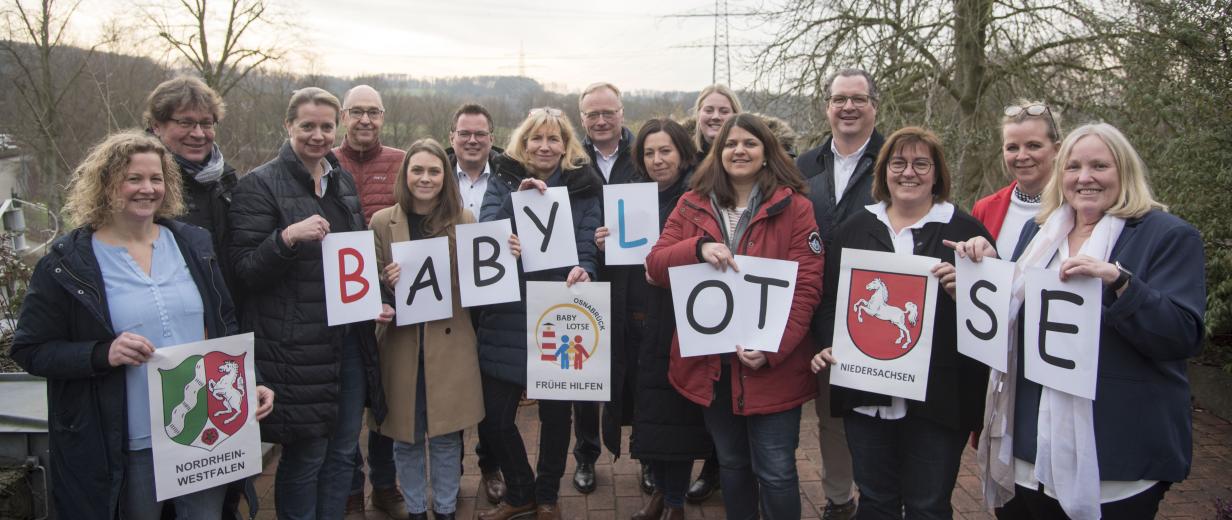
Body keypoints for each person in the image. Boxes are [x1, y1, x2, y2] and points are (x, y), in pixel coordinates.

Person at [10, 130, 274, 520]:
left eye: (156, 178)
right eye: (133, 178)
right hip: (127, 442)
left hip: (203, 433)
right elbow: (30, 349)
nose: (147, 189)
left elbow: (223, 326)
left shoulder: (194, 245)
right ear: (105, 184)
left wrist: (250, 382)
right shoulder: (69, 262)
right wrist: (103, 353)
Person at [955, 123, 1205, 519]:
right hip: (1028, 451)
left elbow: (1181, 336)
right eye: (1073, 167)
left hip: (1115, 454)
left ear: (1123, 171)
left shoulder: (1168, 236)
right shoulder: (1038, 233)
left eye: (1099, 166)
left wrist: (1121, 283)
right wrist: (983, 275)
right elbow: (1018, 321)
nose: (1084, 178)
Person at [645, 113, 823, 520]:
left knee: (776, 470)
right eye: (729, 144)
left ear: (766, 154)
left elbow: (807, 288)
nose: (739, 150)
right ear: (717, 153)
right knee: (732, 464)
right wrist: (697, 248)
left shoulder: (796, 209)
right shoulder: (692, 204)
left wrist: (773, 348)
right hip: (713, 365)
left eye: (749, 143)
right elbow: (655, 265)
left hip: (772, 366)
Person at [810, 126, 991, 519]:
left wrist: (969, 289)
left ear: (937, 173)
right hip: (867, 395)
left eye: (921, 164)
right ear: (884, 172)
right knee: (876, 500)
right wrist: (827, 342)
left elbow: (992, 320)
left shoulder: (965, 232)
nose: (909, 172)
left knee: (928, 504)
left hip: (939, 398)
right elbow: (828, 301)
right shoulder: (854, 229)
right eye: (898, 163)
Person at [228, 87, 390, 520]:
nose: (317, 135)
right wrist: (286, 238)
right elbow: (244, 270)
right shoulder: (258, 186)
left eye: (325, 126)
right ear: (288, 126)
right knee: (305, 457)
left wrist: (374, 295)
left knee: (342, 452)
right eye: (307, 126)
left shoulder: (340, 181)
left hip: (348, 341)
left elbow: (350, 260)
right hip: (295, 347)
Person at [370, 138, 521, 520]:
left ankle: (447, 508)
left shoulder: (465, 221)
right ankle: (417, 509)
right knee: (405, 435)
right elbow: (368, 287)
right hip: (402, 345)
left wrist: (506, 254)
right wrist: (387, 283)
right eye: (417, 170)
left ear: (445, 176)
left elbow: (481, 278)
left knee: (445, 435)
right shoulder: (381, 222)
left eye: (434, 170)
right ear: (405, 175)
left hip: (449, 343)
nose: (425, 178)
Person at [475, 107, 602, 520]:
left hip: (560, 310)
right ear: (523, 143)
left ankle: (546, 495)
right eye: (537, 139)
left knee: (554, 415)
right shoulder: (501, 181)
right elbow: (488, 235)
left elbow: (588, 243)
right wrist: (519, 201)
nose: (545, 146)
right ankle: (520, 489)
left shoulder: (584, 188)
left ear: (566, 147)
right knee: (495, 417)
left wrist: (589, 267)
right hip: (507, 312)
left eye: (554, 139)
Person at [795, 67, 885, 520]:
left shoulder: (896, 161)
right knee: (830, 414)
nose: (847, 107)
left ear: (874, 106)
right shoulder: (803, 166)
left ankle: (879, 495)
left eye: (858, 98)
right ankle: (837, 499)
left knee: (874, 411)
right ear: (827, 106)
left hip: (872, 309)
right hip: (815, 309)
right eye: (839, 99)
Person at [613, 118, 711, 520]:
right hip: (635, 317)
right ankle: (658, 489)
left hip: (674, 319)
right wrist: (606, 241)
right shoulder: (631, 197)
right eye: (649, 152)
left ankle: (673, 501)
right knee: (646, 412)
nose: (657, 160)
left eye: (666, 151)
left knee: (675, 416)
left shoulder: (698, 197)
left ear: (683, 152)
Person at [333, 84, 408, 519]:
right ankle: (348, 487)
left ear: (383, 116)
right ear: (344, 116)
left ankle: (384, 483)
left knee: (386, 400)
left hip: (391, 296)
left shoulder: (400, 162)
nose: (365, 120)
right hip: (338, 299)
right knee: (346, 402)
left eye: (373, 113)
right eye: (356, 112)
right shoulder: (327, 161)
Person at [577, 81, 641, 495]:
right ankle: (585, 455)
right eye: (592, 114)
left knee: (638, 372)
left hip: (636, 282)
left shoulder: (642, 156)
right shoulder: (570, 157)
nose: (601, 121)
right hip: (583, 279)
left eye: (609, 112)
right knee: (585, 373)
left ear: (622, 112)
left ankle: (647, 457)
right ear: (581, 118)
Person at [444, 102, 507, 505]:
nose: (472, 140)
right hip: (445, 294)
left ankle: (491, 464)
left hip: (493, 296)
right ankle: (452, 465)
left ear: (491, 139)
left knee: (490, 385)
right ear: (452, 137)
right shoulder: (433, 174)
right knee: (448, 381)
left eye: (480, 134)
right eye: (464, 133)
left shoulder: (510, 179)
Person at [972, 101, 1062, 256]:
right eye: (1012, 148)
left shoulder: (1075, 207)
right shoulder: (984, 209)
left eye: (1033, 146)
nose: (1022, 156)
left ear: (1056, 150)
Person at [691, 84, 743, 158]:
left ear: (736, 115)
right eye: (709, 110)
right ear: (698, 114)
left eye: (724, 111)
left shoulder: (750, 155)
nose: (716, 117)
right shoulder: (682, 154)